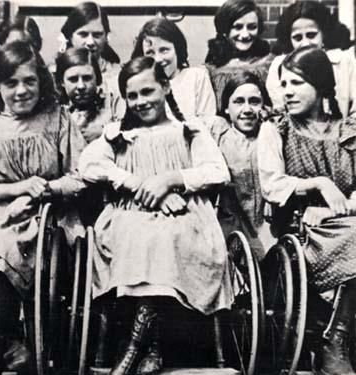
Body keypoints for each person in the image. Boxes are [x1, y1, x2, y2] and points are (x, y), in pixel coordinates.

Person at [78, 56, 233, 375]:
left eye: (147, 92)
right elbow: (89, 166)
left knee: (164, 235)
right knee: (142, 232)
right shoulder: (118, 134)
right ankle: (150, 347)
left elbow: (217, 171)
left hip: (186, 216)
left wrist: (171, 180)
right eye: (132, 96)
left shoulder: (189, 130)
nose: (140, 101)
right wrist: (140, 184)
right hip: (130, 214)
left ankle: (138, 346)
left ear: (165, 87)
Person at [0, 40, 86, 375]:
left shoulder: (58, 118)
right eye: (11, 83)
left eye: (30, 81)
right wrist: (14, 188)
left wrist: (44, 190)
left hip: (41, 215)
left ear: (41, 79)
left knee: (8, 243)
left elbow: (83, 176)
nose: (22, 91)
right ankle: (11, 342)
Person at [258, 46, 356, 375]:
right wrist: (318, 184)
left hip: (342, 221)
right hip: (299, 232)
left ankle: (334, 336)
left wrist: (333, 210)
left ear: (321, 85)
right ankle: (334, 341)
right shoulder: (277, 129)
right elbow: (272, 185)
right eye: (283, 84)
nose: (287, 91)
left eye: (297, 83)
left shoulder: (349, 131)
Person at [212, 71, 274, 260]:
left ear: (265, 107)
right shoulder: (218, 141)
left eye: (254, 101)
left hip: (270, 225)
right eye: (239, 102)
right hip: (231, 227)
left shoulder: (272, 139)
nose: (247, 109)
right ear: (226, 109)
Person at [266, 0, 356, 118]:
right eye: (297, 38)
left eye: (311, 35)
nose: (305, 43)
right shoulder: (279, 66)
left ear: (324, 34)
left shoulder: (343, 61)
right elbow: (281, 112)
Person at [131, 17, 217, 121]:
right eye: (150, 53)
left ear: (177, 50)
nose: (157, 59)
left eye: (164, 50)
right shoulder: (138, 85)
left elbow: (208, 121)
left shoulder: (196, 77)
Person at [205, 0, 274, 113]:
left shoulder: (269, 65)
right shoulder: (210, 70)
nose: (245, 34)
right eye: (237, 27)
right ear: (224, 30)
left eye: (252, 27)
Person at [59, 1, 124, 119]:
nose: (90, 42)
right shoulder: (57, 76)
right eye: (83, 34)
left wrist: (103, 130)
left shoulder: (119, 76)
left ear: (106, 37)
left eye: (97, 35)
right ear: (70, 36)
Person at [55, 47, 116, 144]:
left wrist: (105, 131)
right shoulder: (57, 114)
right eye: (73, 79)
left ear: (97, 79)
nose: (81, 86)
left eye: (87, 78)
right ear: (62, 81)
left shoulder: (112, 103)